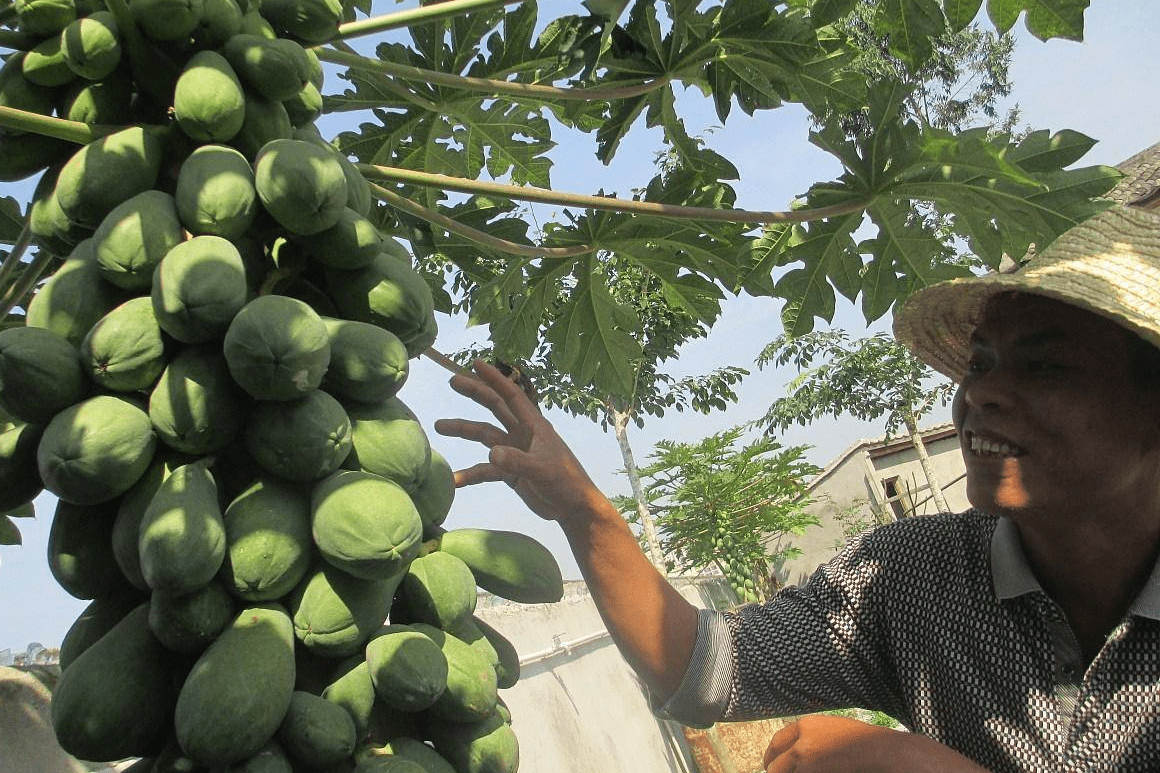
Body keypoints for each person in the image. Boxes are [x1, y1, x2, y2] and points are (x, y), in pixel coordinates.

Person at [434, 203, 1160, 773]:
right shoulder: (911, 576)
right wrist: (578, 506)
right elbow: (704, 666)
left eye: (1043, 368)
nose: (980, 398)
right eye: (978, 366)